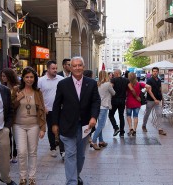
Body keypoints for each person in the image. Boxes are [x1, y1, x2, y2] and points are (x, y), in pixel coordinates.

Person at [52, 56, 101, 185]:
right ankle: (72, 181)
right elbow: (56, 105)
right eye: (74, 66)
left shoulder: (91, 83)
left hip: (85, 126)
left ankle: (76, 174)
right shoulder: (63, 84)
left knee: (80, 156)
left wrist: (93, 117)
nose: (77, 68)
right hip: (67, 125)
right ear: (70, 68)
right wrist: (55, 123)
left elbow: (96, 101)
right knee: (70, 154)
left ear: (83, 67)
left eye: (80, 65)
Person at [12, 66, 46, 185]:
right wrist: (17, 99)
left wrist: (43, 128)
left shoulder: (38, 92)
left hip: (34, 125)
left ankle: (32, 177)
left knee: (32, 152)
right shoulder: (16, 90)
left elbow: (42, 110)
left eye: (32, 77)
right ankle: (22, 177)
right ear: (23, 78)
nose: (29, 79)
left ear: (35, 78)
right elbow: (11, 108)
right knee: (21, 151)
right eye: (27, 77)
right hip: (18, 125)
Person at [37, 61, 65, 160]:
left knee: (61, 129)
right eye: (53, 68)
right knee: (51, 129)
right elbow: (38, 95)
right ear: (48, 69)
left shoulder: (61, 79)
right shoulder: (41, 81)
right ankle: (53, 147)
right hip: (48, 110)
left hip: (60, 109)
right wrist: (43, 107)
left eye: (56, 68)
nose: (55, 70)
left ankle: (62, 151)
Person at [91, 70, 115, 150]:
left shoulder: (96, 84)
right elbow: (113, 93)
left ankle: (101, 141)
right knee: (101, 125)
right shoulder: (108, 84)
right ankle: (93, 141)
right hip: (104, 106)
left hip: (97, 106)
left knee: (99, 125)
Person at [109, 69, 137, 137]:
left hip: (114, 100)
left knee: (111, 115)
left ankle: (116, 128)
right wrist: (136, 97)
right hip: (122, 101)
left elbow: (110, 88)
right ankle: (122, 133)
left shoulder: (113, 80)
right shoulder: (126, 80)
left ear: (116, 73)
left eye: (114, 73)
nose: (113, 74)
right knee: (121, 116)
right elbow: (132, 89)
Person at [126, 72, 155, 137]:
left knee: (128, 116)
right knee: (135, 116)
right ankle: (135, 130)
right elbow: (149, 86)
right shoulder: (139, 84)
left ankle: (130, 128)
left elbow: (128, 92)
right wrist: (143, 92)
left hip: (129, 102)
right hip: (137, 102)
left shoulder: (128, 84)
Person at [1, 68, 20, 164]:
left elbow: (18, 102)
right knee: (7, 135)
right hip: (6, 115)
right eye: (2, 76)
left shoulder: (16, 87)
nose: (2, 78)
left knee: (16, 135)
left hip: (16, 114)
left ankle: (15, 154)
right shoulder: (2, 88)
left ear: (9, 76)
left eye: (4, 76)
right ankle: (9, 155)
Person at [142, 67, 166, 136]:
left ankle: (160, 129)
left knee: (159, 114)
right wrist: (154, 99)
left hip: (158, 100)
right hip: (150, 100)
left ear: (158, 72)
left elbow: (160, 89)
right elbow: (149, 91)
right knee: (147, 114)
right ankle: (144, 125)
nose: (155, 72)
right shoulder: (149, 80)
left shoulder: (159, 80)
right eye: (154, 71)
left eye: (156, 71)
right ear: (152, 72)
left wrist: (162, 98)